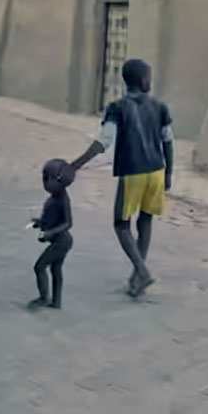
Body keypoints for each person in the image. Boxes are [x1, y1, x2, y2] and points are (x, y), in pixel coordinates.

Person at [72, 58, 174, 297]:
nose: (150, 80)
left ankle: (142, 270)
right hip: (156, 171)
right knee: (146, 220)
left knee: (121, 224)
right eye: (148, 76)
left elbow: (104, 142)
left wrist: (75, 165)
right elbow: (168, 141)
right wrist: (169, 173)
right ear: (141, 80)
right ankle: (136, 278)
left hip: (133, 173)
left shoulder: (117, 108)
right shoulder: (160, 107)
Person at [28, 158, 75, 310]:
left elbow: (68, 223)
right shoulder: (55, 197)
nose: (44, 182)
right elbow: (51, 219)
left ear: (59, 182)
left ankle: (44, 298)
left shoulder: (63, 199)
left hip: (62, 241)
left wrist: (50, 232)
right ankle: (56, 301)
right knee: (55, 269)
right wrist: (40, 223)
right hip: (59, 240)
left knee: (39, 267)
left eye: (47, 179)